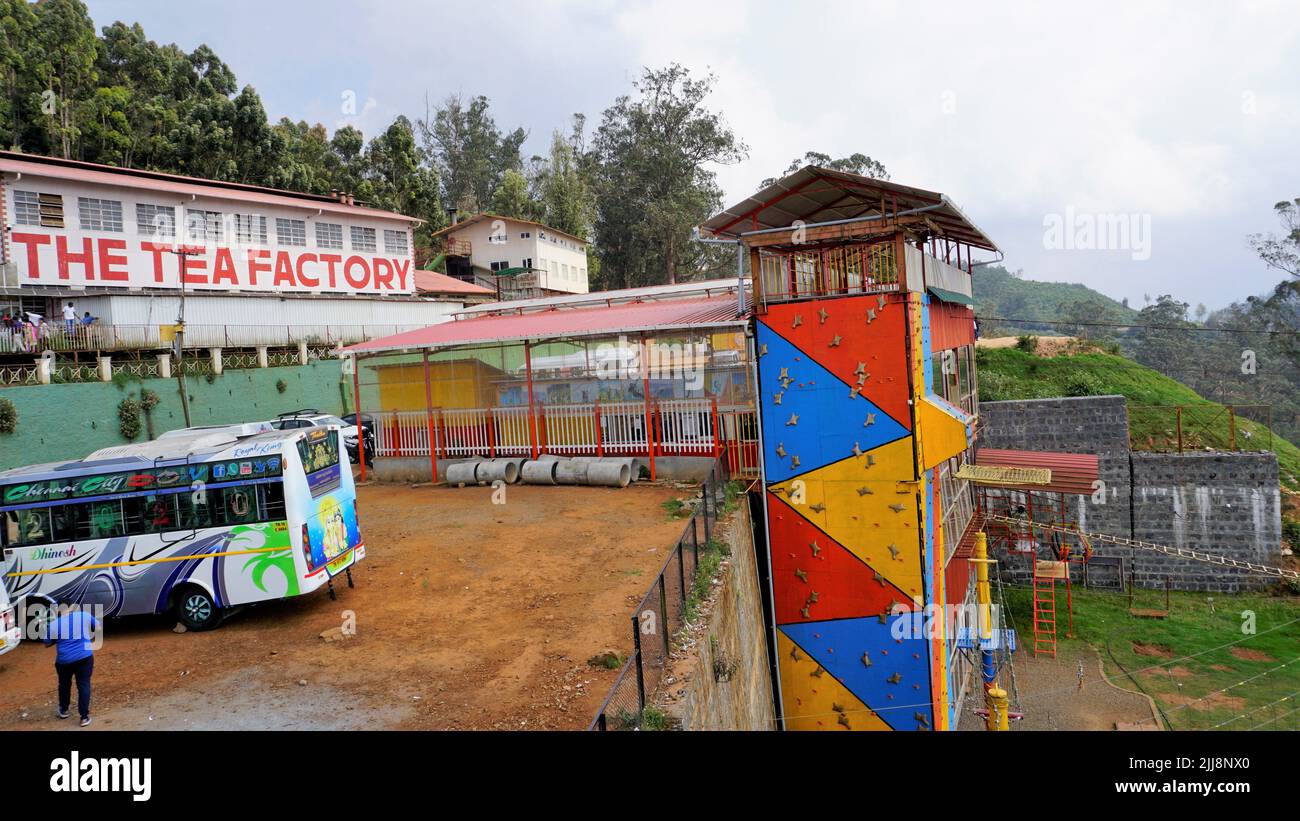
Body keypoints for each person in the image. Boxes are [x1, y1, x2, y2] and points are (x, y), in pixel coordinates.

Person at [44, 603, 100, 727]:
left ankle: (64, 710)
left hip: (64, 661)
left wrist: (57, 640)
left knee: (64, 684)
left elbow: (46, 643)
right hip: (84, 657)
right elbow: (97, 625)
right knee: (84, 684)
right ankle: (84, 717)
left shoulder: (53, 625)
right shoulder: (84, 616)